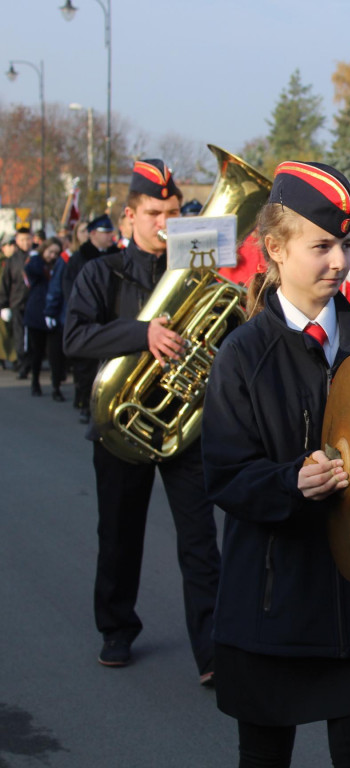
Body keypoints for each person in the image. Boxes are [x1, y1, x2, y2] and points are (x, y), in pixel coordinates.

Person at [201, 160, 350, 768]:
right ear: (275, 249)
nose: (340, 261)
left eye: (343, 243)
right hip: (271, 611)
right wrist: (290, 481)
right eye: (321, 246)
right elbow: (226, 476)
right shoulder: (241, 355)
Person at [63, 159, 221, 679]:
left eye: (174, 212)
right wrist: (142, 334)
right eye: (155, 212)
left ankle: (212, 650)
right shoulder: (99, 272)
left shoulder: (199, 269)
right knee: (120, 534)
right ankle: (116, 628)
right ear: (129, 216)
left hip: (182, 423)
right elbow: (76, 338)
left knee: (200, 541)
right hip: (119, 425)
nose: (166, 222)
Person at [50, 214, 119, 421]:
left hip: (113, 317)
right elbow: (69, 288)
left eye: (110, 233)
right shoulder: (79, 258)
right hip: (89, 316)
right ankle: (86, 404)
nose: (110, 237)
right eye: (105, 233)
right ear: (92, 234)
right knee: (86, 367)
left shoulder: (118, 255)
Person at [24, 238, 66, 400]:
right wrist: (40, 260)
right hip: (36, 314)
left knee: (55, 354)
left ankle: (56, 386)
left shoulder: (59, 264)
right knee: (37, 352)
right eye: (50, 252)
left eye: (56, 253)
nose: (53, 256)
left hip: (54, 314)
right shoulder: (36, 263)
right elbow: (31, 270)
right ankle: (35, 381)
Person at [0, 227, 35, 378]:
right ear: (17, 241)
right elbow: (5, 283)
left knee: (34, 337)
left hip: (35, 304)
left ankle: (32, 363)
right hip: (17, 303)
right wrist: (4, 305)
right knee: (19, 336)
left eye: (27, 239)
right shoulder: (12, 261)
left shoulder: (36, 256)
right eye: (22, 240)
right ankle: (22, 364)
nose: (25, 243)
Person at [0, 237, 17, 369]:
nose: (12, 247)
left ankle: (15, 358)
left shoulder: (16, 261)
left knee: (11, 332)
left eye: (13, 244)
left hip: (12, 300)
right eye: (9, 245)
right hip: (3, 299)